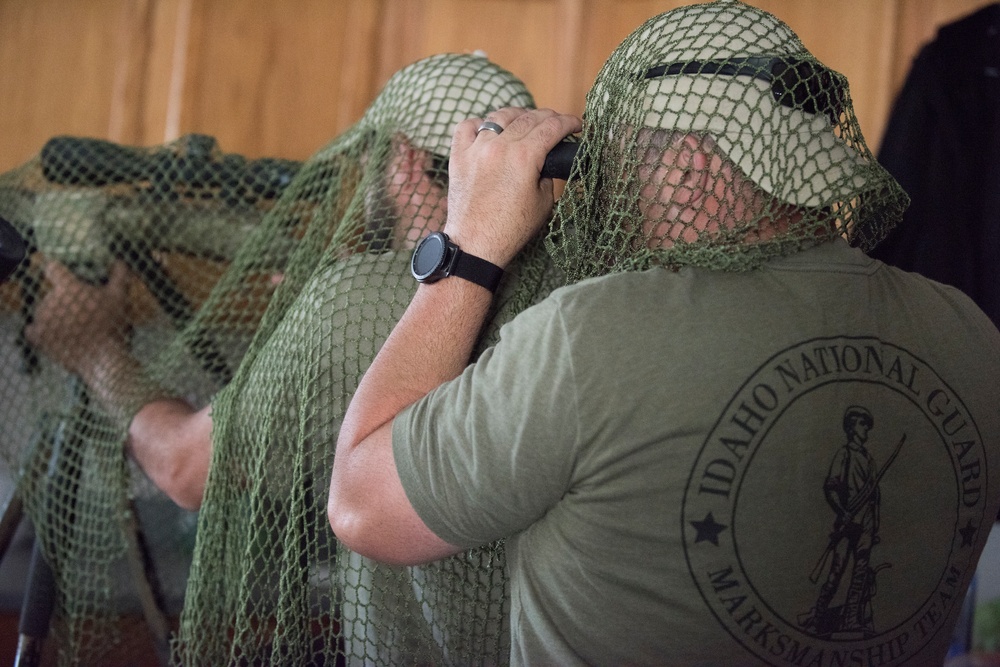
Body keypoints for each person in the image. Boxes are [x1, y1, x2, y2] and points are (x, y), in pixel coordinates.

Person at [329, 1, 1000, 664]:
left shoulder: (592, 335)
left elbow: (363, 503)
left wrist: (468, 244)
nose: (609, 198)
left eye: (620, 166)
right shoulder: (971, 335)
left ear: (687, 172)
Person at [26, 53, 553, 664]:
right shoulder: (568, 300)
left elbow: (186, 469)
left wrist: (93, 352)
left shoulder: (357, 301)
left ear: (401, 159)